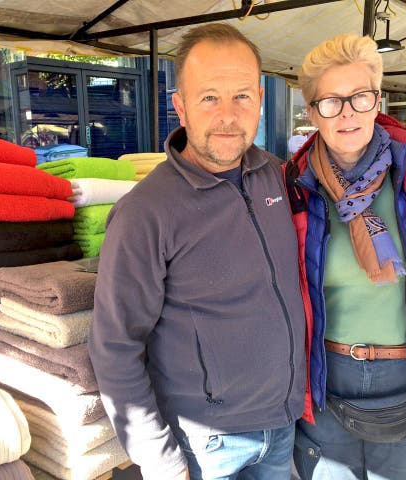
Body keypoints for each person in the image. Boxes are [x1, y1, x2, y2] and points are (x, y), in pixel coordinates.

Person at [88, 23, 306, 480]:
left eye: (243, 96)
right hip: (205, 446)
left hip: (283, 423)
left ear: (261, 102)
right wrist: (158, 459)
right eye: (210, 97)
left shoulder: (277, 177)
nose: (228, 115)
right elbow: (114, 346)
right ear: (180, 107)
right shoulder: (144, 213)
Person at [283, 33, 406, 480]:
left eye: (359, 97)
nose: (348, 113)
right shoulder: (292, 190)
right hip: (324, 383)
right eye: (331, 102)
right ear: (312, 111)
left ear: (378, 100)